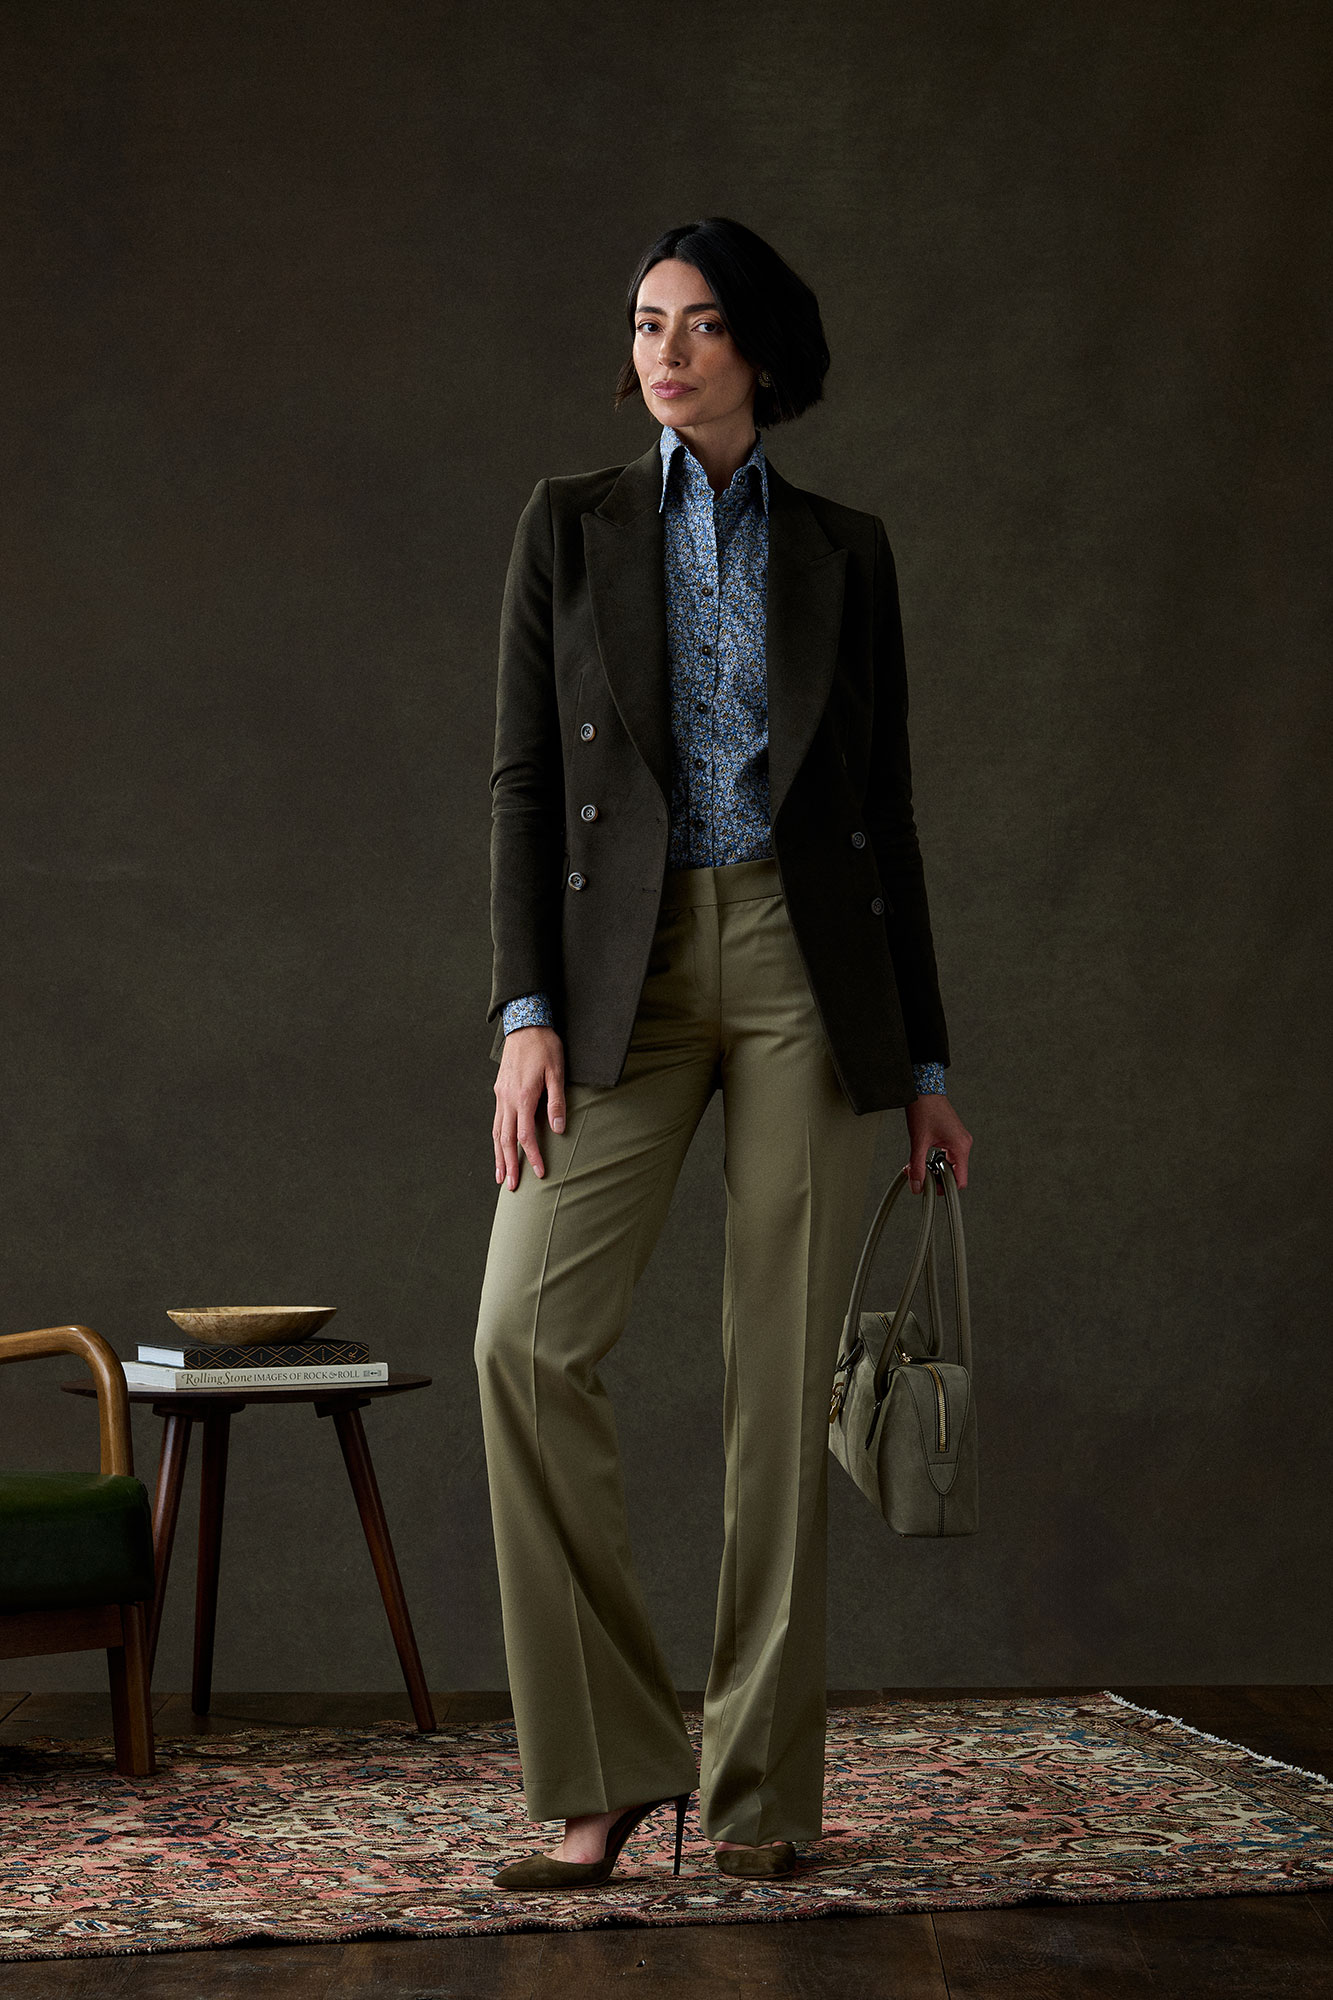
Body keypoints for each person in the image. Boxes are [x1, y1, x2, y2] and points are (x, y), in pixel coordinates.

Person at [474, 216, 972, 1889]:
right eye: (643, 324)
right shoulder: (567, 524)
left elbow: (885, 815)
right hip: (614, 971)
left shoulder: (845, 550)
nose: (663, 353)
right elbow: (523, 781)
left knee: (777, 1382)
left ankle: (760, 1792)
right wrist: (524, 1015)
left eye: (694, 325)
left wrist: (924, 1068)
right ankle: (610, 1766)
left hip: (800, 968)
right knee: (522, 1339)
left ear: (759, 347)